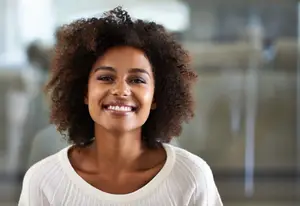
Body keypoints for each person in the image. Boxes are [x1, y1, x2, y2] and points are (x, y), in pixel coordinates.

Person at [19, 7, 223, 206]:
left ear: (155, 97)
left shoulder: (191, 177)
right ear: (84, 92)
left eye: (137, 80)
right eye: (106, 77)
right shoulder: (43, 181)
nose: (121, 90)